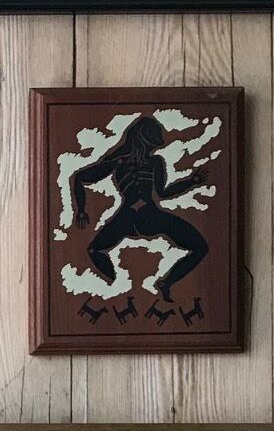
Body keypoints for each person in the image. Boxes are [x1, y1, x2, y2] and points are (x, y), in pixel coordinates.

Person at [69, 115, 209, 302]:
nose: (156, 146)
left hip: (149, 216)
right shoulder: (118, 161)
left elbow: (163, 193)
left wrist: (191, 182)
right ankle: (115, 289)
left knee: (200, 247)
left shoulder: (155, 162)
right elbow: (81, 178)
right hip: (128, 217)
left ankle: (165, 283)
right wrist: (80, 209)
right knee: (95, 250)